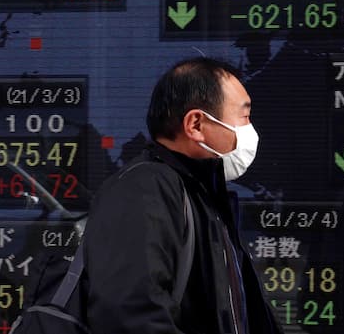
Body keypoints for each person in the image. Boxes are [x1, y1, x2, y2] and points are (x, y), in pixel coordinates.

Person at [82, 57, 280, 334]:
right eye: (244, 117)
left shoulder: (200, 195)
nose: (250, 130)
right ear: (196, 124)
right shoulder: (143, 190)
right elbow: (129, 316)